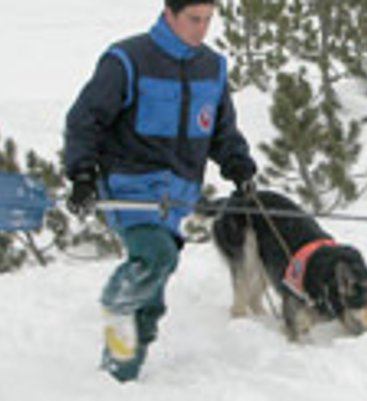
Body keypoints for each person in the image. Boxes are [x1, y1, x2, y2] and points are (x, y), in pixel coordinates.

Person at [63, 0, 257, 382]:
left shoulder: (212, 67)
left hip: (177, 194)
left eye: (207, 20)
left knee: (155, 280)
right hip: (129, 185)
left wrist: (238, 164)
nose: (201, 29)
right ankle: (117, 304)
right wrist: (82, 172)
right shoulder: (128, 60)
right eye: (193, 19)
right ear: (169, 13)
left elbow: (221, 129)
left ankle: (121, 370)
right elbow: (86, 119)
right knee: (156, 255)